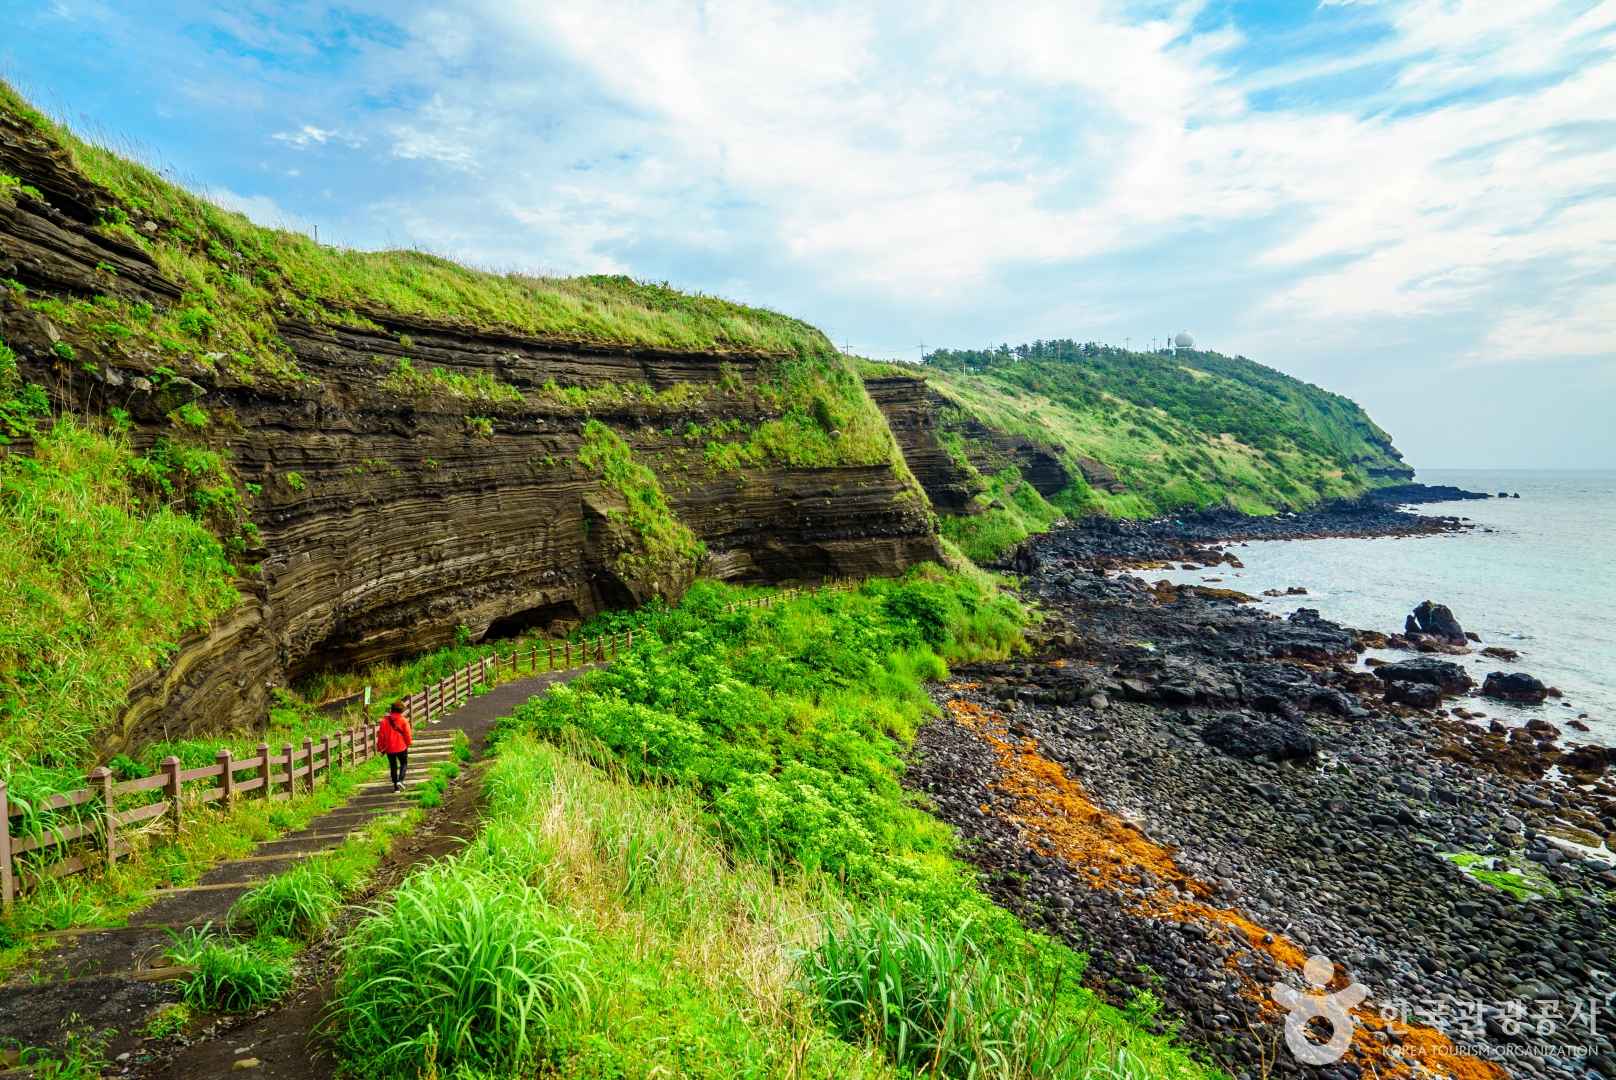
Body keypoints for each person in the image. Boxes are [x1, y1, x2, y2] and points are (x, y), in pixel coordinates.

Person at [378, 701, 413, 792]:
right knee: (404, 763)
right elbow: (407, 734)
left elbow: (381, 736)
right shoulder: (403, 720)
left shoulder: (384, 722)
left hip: (389, 748)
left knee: (393, 766)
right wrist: (409, 743)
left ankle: (396, 787)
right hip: (401, 746)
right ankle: (400, 780)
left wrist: (380, 748)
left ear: (391, 709)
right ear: (401, 711)